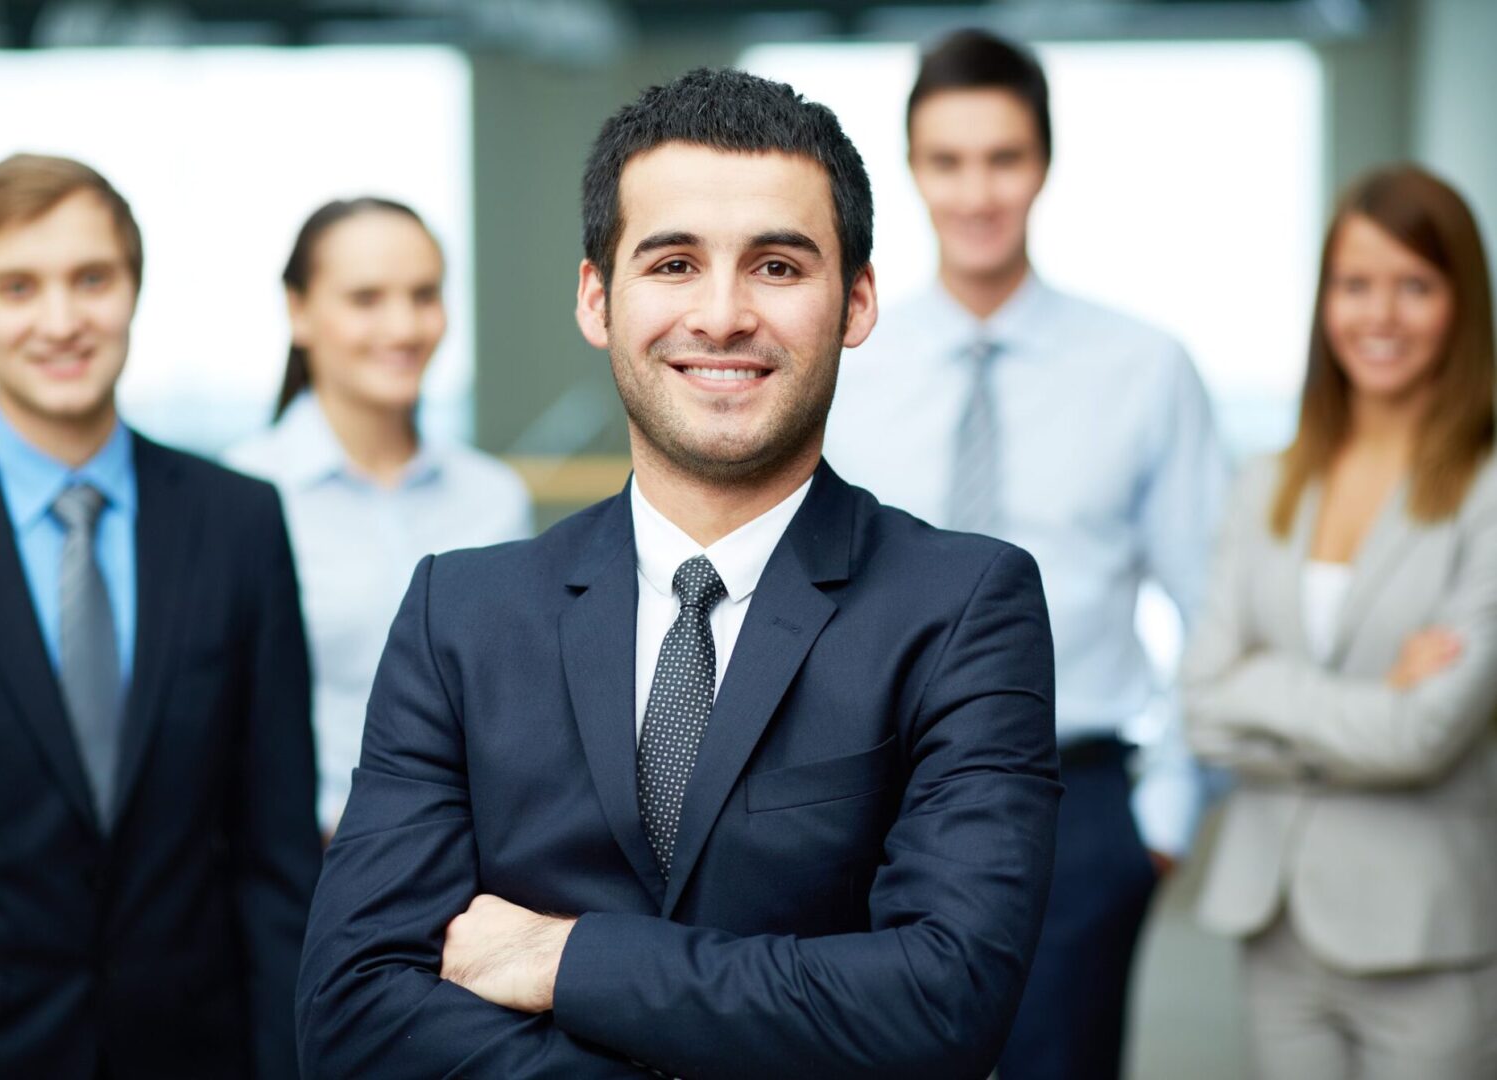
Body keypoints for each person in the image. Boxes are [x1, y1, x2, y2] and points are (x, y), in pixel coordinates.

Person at [296, 67, 1061, 1078]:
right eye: (672, 264)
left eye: (778, 267)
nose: (722, 315)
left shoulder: (963, 609)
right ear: (595, 297)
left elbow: (941, 1001)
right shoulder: (462, 615)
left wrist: (566, 957)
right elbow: (351, 1013)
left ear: (858, 300)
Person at [821, 29, 1229, 1080]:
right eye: (947, 161)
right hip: (877, 793)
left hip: (1079, 799)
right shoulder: (847, 364)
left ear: (1042, 164)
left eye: (1002, 158)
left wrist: (1164, 815)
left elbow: (1214, 602)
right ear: (911, 170)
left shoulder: (1142, 368)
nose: (976, 192)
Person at [0, 153, 318, 1078]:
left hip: (200, 1050)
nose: (62, 320)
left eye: (91, 279)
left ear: (134, 289)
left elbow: (276, 850)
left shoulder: (238, 522)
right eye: (17, 287)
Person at [1181, 164, 1497, 1078]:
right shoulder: (1268, 483)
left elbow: (1426, 736)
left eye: (1415, 286)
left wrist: (1263, 691)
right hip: (1275, 925)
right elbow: (1202, 708)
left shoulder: (1484, 494)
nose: (1380, 315)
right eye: (1356, 285)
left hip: (1427, 937)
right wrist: (1370, 702)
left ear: (1460, 303)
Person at [226, 197, 532, 838]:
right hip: (301, 870)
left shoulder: (493, 497)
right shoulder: (240, 497)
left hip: (474, 872)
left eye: (424, 295)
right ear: (298, 309)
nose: (402, 327)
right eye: (366, 299)